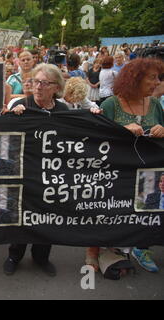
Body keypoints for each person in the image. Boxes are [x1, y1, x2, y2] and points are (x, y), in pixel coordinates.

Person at [91, 58, 164, 275]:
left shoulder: (155, 104)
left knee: (146, 212)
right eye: (152, 78)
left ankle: (142, 249)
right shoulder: (110, 104)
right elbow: (96, 144)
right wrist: (122, 130)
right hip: (118, 176)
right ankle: (108, 250)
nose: (157, 83)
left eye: (158, 78)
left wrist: (161, 129)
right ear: (135, 79)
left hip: (148, 174)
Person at [2, 63, 68, 277]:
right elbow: (3, 133)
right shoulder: (22, 104)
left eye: (44, 83)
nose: (38, 87)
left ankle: (41, 257)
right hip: (25, 172)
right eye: (35, 81)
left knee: (47, 216)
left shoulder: (64, 110)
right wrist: (12, 115)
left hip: (51, 174)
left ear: (56, 88)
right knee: (22, 216)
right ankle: (14, 255)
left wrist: (94, 113)